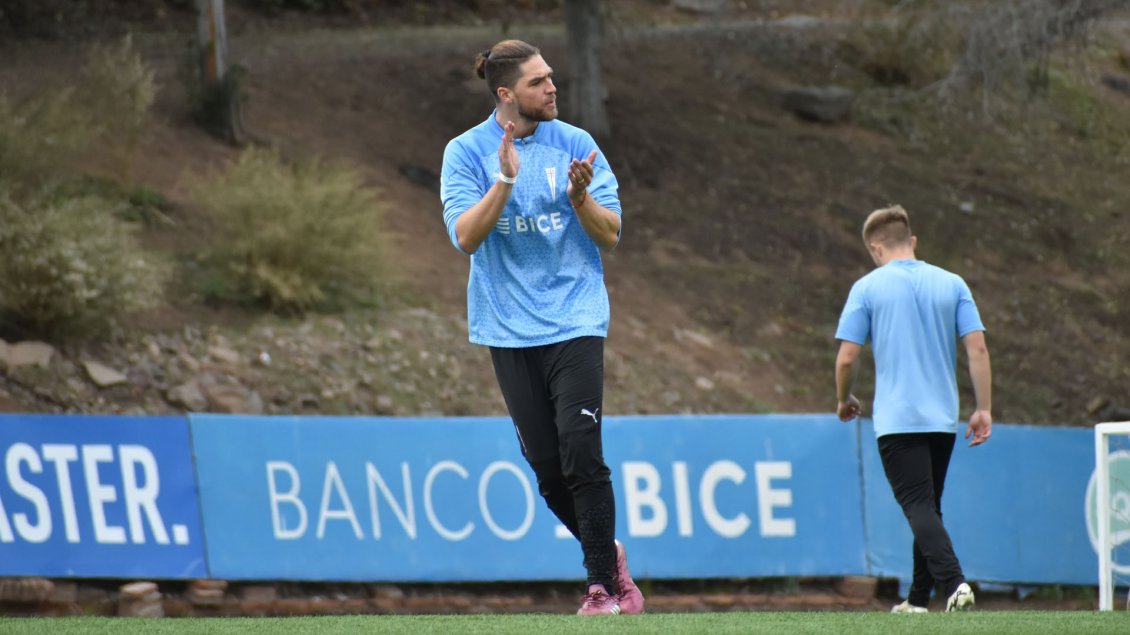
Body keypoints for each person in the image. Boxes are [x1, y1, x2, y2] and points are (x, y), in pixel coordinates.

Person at [439, 39, 643, 616]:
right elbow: (466, 238)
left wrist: (580, 199)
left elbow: (610, 234)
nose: (552, 87)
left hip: (576, 318)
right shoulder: (465, 153)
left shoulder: (576, 144)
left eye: (551, 77)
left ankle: (600, 591)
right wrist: (503, 182)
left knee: (582, 450)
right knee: (549, 473)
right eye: (538, 82)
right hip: (506, 328)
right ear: (506, 95)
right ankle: (608, 553)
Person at [833, 205, 992, 613]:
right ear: (913, 241)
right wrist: (983, 408)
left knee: (918, 506)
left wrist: (844, 398)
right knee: (929, 507)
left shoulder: (867, 288)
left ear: (875, 247)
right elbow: (976, 347)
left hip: (898, 419)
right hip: (942, 417)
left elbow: (848, 357)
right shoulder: (953, 283)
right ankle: (918, 601)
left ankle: (955, 582)